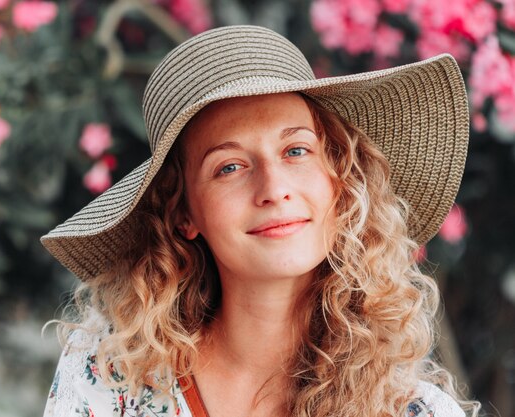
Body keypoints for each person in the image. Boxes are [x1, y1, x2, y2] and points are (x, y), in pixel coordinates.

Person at [41, 25, 480, 417]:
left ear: (339, 181)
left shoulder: (416, 412)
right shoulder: (111, 379)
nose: (274, 188)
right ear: (183, 213)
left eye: (296, 151)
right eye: (229, 167)